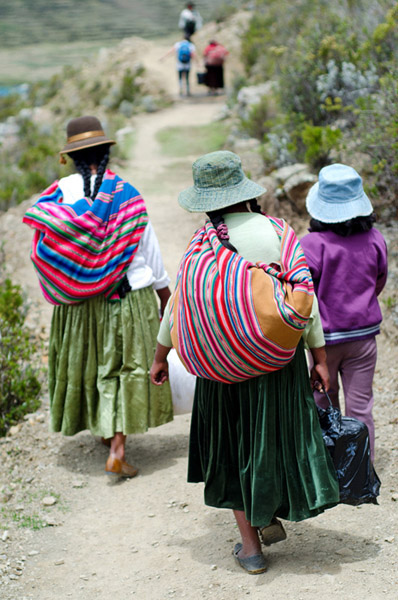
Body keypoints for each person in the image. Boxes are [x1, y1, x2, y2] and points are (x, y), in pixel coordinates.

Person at [150, 151, 339, 574]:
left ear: (205, 202)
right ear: (245, 192)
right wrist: (320, 358)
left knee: (233, 448)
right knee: (272, 439)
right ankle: (270, 506)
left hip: (221, 371)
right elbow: (304, 300)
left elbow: (176, 307)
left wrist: (161, 357)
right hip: (277, 362)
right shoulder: (277, 232)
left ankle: (251, 548)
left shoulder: (199, 246)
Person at [23, 116, 173, 478]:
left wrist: (75, 279)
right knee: (122, 368)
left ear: (71, 156)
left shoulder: (56, 196)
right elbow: (149, 254)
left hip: (77, 303)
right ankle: (118, 447)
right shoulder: (127, 196)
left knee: (91, 365)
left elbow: (43, 250)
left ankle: (108, 435)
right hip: (127, 298)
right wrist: (166, 299)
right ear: (106, 152)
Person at [300, 163, 388, 462]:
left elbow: (303, 293)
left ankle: (329, 467)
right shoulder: (375, 238)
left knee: (323, 402)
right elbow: (379, 280)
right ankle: (361, 470)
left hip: (323, 342)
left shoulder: (311, 244)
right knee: (361, 406)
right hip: (363, 339)